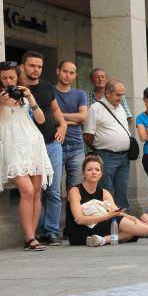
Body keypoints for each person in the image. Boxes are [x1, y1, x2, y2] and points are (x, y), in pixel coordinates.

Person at [65, 155, 148, 247]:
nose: (94, 172)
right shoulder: (75, 191)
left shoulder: (104, 192)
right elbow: (79, 219)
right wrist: (107, 217)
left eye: (97, 169)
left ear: (101, 173)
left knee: (133, 231)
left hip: (97, 229)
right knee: (119, 222)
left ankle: (102, 240)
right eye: (89, 170)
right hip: (79, 232)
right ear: (83, 173)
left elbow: (116, 211)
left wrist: (131, 217)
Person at [0, 61, 54, 251]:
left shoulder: (24, 96)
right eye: (4, 78)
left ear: (18, 77)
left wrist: (30, 97)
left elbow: (41, 120)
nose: (8, 81)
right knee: (27, 190)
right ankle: (30, 237)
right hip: (12, 145)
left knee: (36, 191)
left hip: (32, 143)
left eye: (12, 77)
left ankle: (31, 237)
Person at [20, 52, 67, 246]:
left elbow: (55, 110)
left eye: (39, 66)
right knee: (33, 191)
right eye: (32, 66)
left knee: (54, 190)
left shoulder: (47, 87)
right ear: (23, 66)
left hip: (51, 143)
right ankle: (35, 232)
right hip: (28, 148)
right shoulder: (16, 89)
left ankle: (52, 232)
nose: (36, 70)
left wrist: (63, 125)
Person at [84, 80, 134, 209]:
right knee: (105, 190)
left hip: (124, 157)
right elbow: (88, 135)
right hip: (106, 155)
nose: (121, 98)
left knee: (122, 189)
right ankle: (106, 220)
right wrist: (101, 149)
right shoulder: (95, 108)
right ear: (108, 93)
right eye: (118, 95)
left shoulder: (121, 107)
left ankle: (122, 219)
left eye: (122, 95)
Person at [53, 60, 87, 189]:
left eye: (71, 73)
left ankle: (73, 211)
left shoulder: (80, 94)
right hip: (55, 143)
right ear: (58, 71)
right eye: (65, 71)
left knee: (76, 190)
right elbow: (49, 118)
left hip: (77, 146)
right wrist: (74, 119)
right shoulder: (50, 91)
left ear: (75, 76)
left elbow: (83, 116)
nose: (68, 75)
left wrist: (59, 116)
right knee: (53, 188)